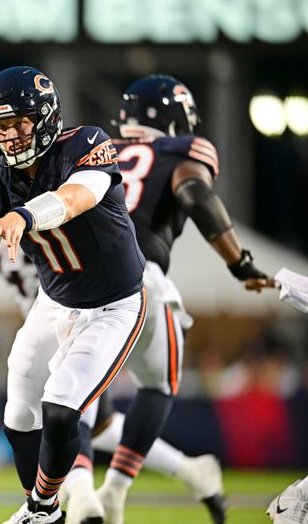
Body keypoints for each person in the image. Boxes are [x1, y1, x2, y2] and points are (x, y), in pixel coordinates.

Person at [0, 65, 147, 524]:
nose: (9, 135)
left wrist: (25, 216)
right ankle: (44, 511)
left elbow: (73, 199)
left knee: (63, 409)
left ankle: (41, 510)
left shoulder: (85, 143)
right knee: (18, 417)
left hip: (113, 305)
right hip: (54, 302)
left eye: (19, 123)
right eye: (0, 126)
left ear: (45, 117)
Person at [0, 188, 226, 524]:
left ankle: (78, 500)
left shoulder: (53, 178)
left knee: (68, 412)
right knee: (95, 423)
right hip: (45, 316)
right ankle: (190, 471)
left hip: (88, 310)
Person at [95, 74, 274, 524]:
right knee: (158, 384)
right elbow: (194, 192)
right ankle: (113, 489)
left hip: (76, 284)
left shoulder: (92, 150)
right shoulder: (181, 150)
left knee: (72, 402)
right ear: (176, 117)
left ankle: (63, 499)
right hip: (141, 275)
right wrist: (240, 263)